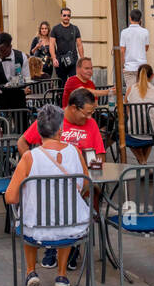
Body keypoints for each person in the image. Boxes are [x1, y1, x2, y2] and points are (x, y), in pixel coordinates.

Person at [6, 102, 92, 286]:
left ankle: (31, 272)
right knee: (61, 210)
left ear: (38, 130)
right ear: (61, 129)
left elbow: (11, 197)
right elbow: (86, 185)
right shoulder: (75, 152)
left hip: (37, 231)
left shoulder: (29, 157)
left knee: (29, 216)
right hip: (72, 226)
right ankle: (61, 274)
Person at [17, 88, 103, 271]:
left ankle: (68, 245)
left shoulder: (91, 124)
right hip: (48, 187)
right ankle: (56, 245)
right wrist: (33, 167)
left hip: (75, 185)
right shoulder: (52, 121)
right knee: (58, 197)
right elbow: (22, 142)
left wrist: (91, 166)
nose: (89, 118)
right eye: (86, 113)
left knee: (78, 194)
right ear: (73, 108)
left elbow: (98, 155)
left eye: (91, 113)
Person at [124, 64, 154, 164]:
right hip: (153, 134)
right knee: (151, 125)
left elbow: (126, 111)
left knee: (119, 134)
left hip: (134, 133)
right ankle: (143, 161)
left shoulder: (130, 90)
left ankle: (142, 161)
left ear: (137, 75)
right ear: (152, 76)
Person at [51, 8, 83, 101]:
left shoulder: (75, 28)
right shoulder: (55, 29)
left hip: (73, 60)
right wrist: (54, 58)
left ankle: (74, 104)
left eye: (68, 15)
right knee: (62, 85)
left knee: (74, 84)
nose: (66, 17)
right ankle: (62, 105)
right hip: (60, 61)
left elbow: (79, 45)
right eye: (64, 15)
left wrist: (82, 59)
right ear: (61, 16)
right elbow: (52, 44)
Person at [119, 8, 150, 86]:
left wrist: (122, 65)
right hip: (142, 67)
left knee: (130, 92)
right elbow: (146, 48)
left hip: (129, 67)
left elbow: (122, 51)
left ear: (130, 18)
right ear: (140, 20)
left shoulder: (124, 32)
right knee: (142, 91)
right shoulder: (145, 32)